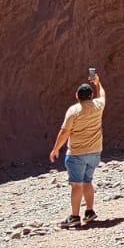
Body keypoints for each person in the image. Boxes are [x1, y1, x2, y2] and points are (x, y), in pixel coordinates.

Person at [49, 72, 106, 227]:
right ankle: (89, 211)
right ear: (91, 96)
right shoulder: (98, 106)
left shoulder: (73, 111)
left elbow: (64, 132)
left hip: (77, 154)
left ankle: (75, 216)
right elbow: (102, 94)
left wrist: (55, 149)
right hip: (95, 152)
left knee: (76, 185)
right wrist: (98, 83)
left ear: (77, 96)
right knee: (87, 181)